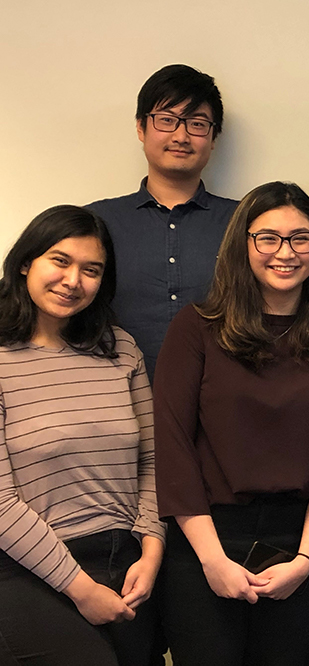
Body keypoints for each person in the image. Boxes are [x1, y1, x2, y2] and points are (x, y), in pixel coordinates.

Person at [152, 182, 309, 665]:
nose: (284, 253)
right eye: (268, 238)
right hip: (204, 540)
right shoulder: (196, 328)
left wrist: (305, 562)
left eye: (300, 238)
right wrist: (212, 559)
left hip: (295, 545)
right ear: (243, 244)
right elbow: (173, 449)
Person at [0, 205, 165, 665]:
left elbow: (152, 462)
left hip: (127, 562)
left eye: (91, 270)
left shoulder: (120, 348)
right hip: (30, 570)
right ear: (25, 262)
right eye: (60, 260)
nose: (73, 280)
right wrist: (80, 588)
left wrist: (151, 550)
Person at [88, 63, 238, 380]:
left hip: (220, 412)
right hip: (118, 409)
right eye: (167, 121)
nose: (181, 136)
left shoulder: (244, 221)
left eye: (197, 124)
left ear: (213, 139)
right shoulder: (95, 222)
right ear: (141, 128)